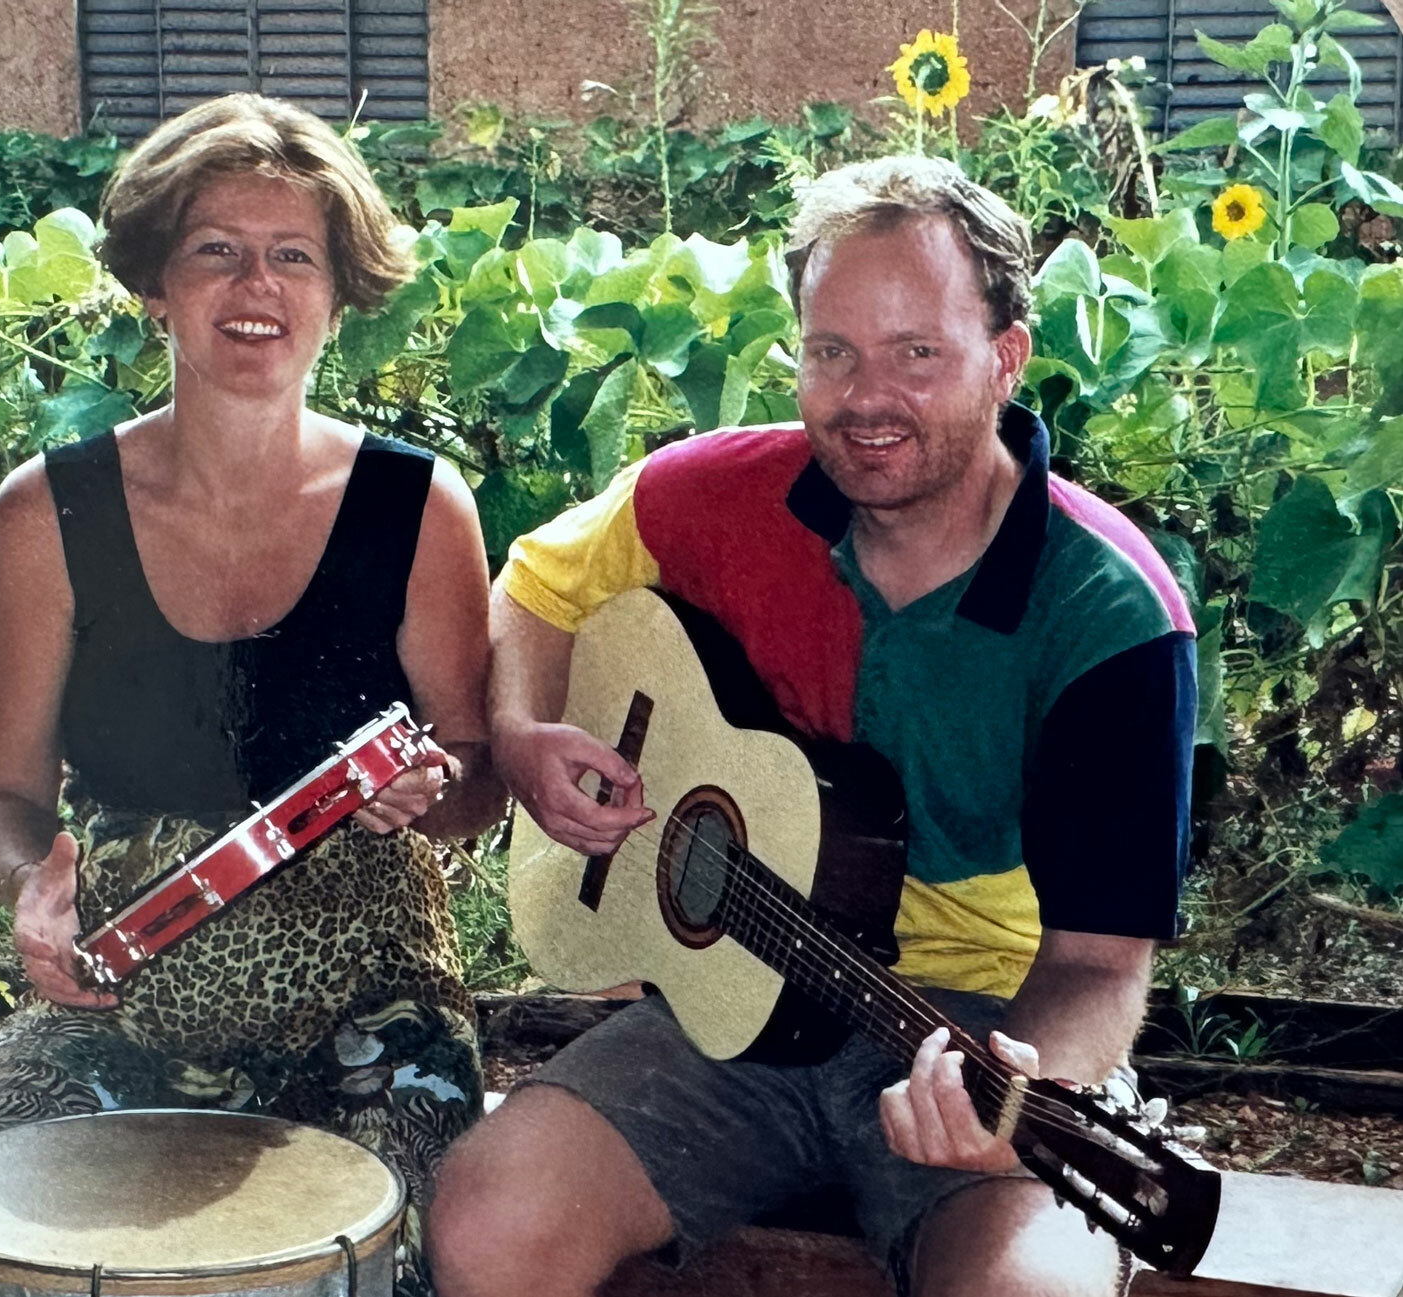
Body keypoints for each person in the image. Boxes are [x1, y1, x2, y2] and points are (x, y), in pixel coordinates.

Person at [426, 155, 1195, 1297]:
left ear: (1007, 356)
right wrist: (527, 727)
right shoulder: (712, 495)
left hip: (974, 1024)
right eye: (831, 350)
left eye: (915, 352)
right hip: (720, 1006)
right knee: (488, 1222)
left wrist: (1021, 1089)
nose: (863, 395)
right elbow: (536, 585)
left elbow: (1097, 962)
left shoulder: (1111, 616)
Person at [0, 92, 504, 1296]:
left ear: (338, 294)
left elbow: (477, 780)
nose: (259, 284)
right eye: (216, 251)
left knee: (380, 1243)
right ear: (157, 286)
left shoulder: (419, 507)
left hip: (370, 990)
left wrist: (434, 789)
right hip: (123, 989)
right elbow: (3, 794)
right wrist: (34, 885)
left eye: (295, 254)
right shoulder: (47, 515)